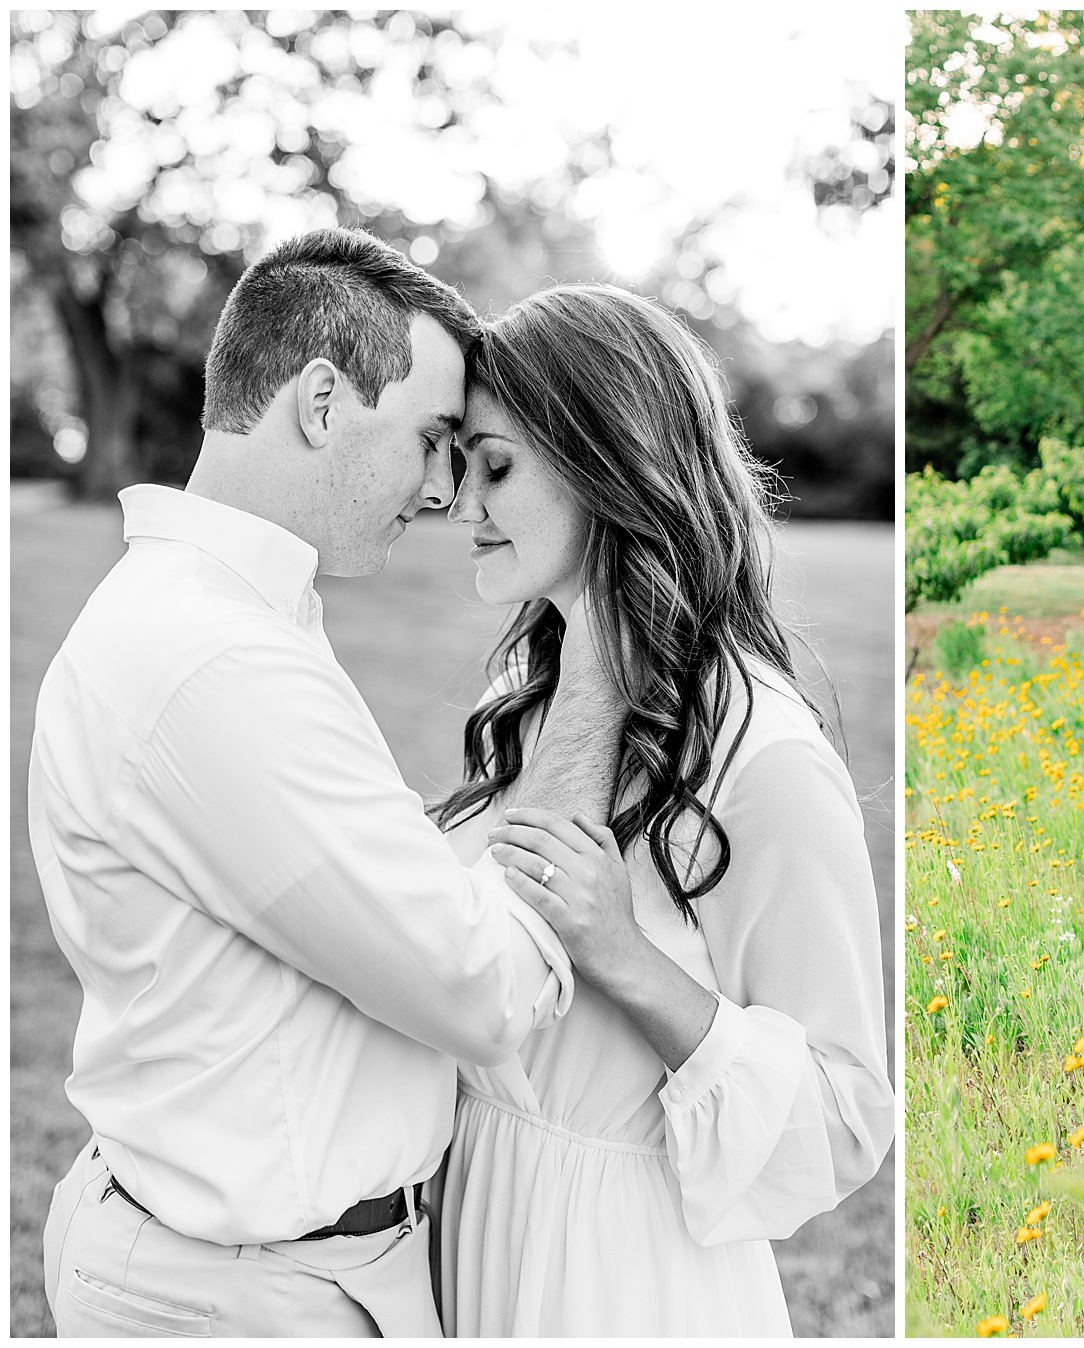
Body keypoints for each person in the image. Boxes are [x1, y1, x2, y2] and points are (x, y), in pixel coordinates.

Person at [30, 228, 621, 1336]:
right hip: (240, 1298)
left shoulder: (221, 617)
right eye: (436, 439)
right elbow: (481, 987)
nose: (447, 489)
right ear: (320, 402)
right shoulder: (216, 661)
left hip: (256, 1270)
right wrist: (597, 653)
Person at [429, 284, 893, 1337]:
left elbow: (847, 1112)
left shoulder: (765, 757)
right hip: (469, 1224)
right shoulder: (526, 690)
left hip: (619, 1273)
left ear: (606, 466)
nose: (464, 506)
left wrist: (624, 956)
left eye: (494, 466)